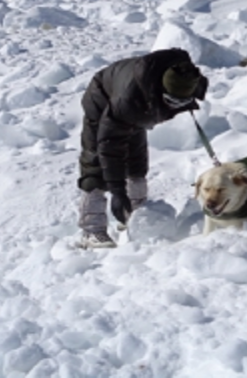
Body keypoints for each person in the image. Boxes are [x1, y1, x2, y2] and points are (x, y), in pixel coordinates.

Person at [77, 48, 209, 248]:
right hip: (102, 98)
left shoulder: (187, 76)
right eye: (172, 101)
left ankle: (136, 215)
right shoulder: (127, 101)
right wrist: (118, 192)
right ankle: (92, 230)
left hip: (140, 101)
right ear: (161, 91)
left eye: (182, 102)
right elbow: (109, 147)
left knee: (136, 161)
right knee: (96, 161)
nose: (175, 107)